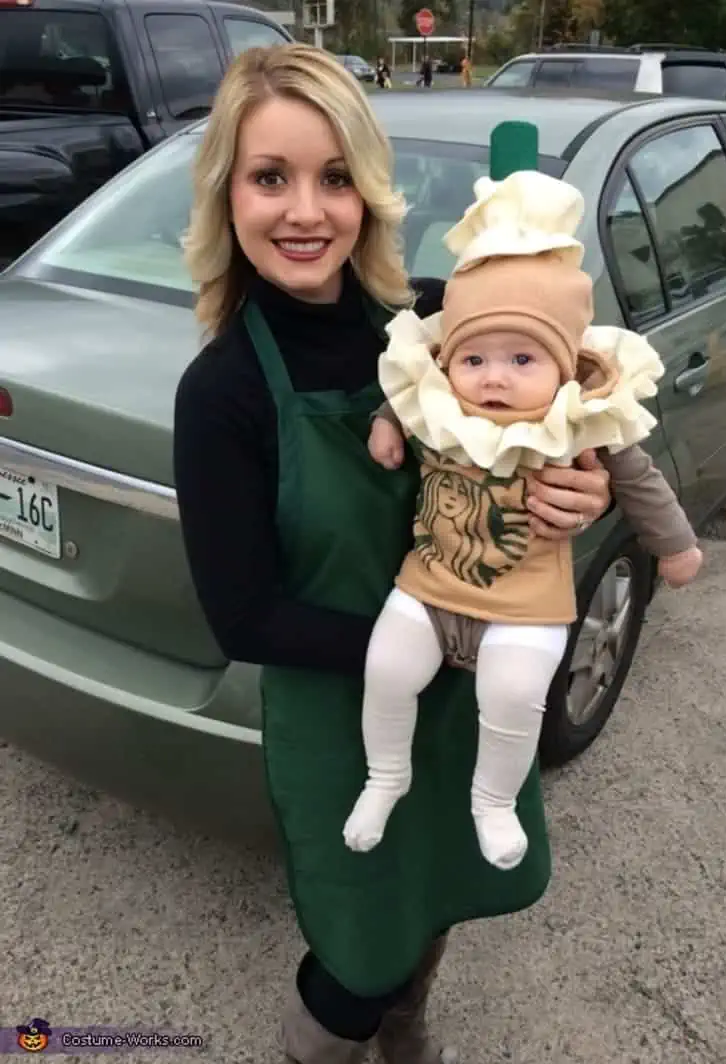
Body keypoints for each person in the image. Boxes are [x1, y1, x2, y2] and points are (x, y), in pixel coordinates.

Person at [173, 43, 611, 1064]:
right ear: (227, 194)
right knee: (355, 955)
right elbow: (244, 617)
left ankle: (409, 1035)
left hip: (460, 697)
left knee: (439, 895)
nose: (305, 210)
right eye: (270, 176)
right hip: (346, 717)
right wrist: (445, 638)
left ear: (368, 192)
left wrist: (572, 491)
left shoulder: (431, 329)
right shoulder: (226, 392)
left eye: (334, 177)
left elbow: (541, 434)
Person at [342, 170, 703, 868]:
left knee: (513, 698)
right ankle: (385, 777)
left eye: (521, 359)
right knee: (386, 670)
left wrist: (677, 549)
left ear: (565, 365)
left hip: (526, 605)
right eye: (474, 358)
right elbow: (408, 401)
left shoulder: (579, 423)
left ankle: (495, 801)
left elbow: (641, 482)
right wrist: (386, 423)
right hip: (430, 585)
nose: (494, 377)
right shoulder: (440, 404)